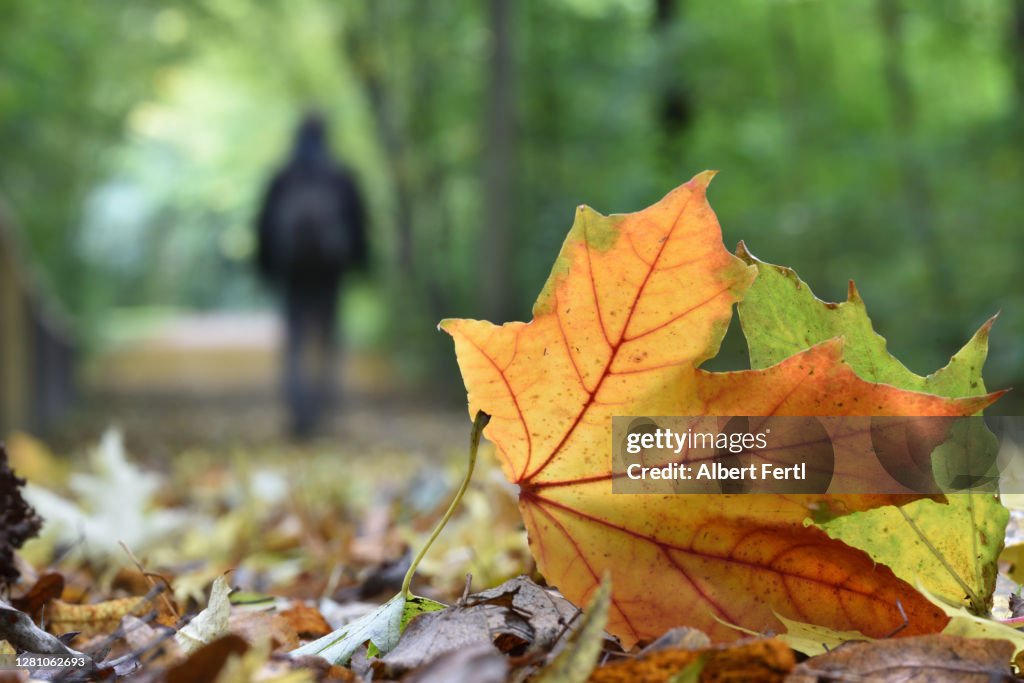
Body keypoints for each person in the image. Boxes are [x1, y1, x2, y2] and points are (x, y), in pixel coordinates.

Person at [255, 112, 368, 438]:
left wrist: (266, 268)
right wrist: (358, 264)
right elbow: (358, 222)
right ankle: (324, 407)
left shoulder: (283, 177)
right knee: (328, 338)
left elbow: (263, 226)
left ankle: (299, 410)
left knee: (295, 340)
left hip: (292, 270)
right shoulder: (340, 176)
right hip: (331, 269)